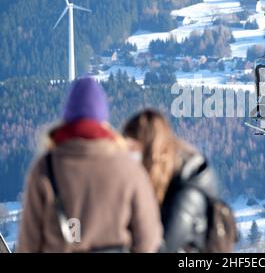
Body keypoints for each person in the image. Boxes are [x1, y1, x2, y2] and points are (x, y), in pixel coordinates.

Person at [17, 78, 162, 253]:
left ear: (67, 118)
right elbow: (148, 237)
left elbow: (29, 243)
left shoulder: (45, 167)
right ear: (103, 119)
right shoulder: (128, 168)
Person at [123, 109, 236, 253]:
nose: (129, 156)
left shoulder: (187, 194)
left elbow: (163, 248)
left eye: (133, 149)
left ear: (149, 150)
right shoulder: (166, 182)